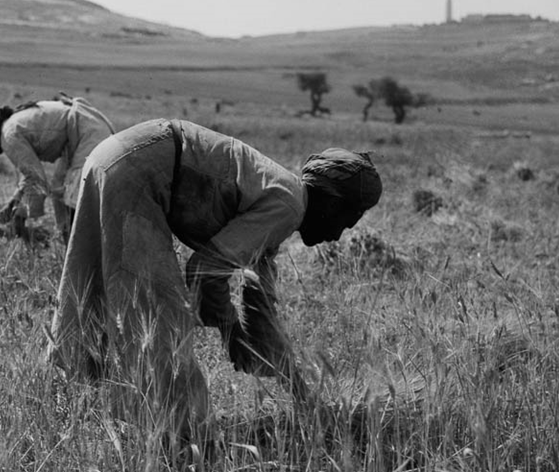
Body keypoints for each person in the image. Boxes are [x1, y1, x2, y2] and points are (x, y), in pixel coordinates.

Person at [47, 118, 382, 454]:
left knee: (94, 288)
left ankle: (122, 419)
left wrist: (300, 394)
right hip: (140, 168)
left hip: (111, 157)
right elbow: (205, 269)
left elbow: (261, 311)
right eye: (349, 220)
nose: (339, 234)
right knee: (161, 319)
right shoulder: (287, 206)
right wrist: (229, 330)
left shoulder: (280, 200)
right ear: (333, 202)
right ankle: (188, 445)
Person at [0, 96, 115, 243]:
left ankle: (83, 256)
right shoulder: (12, 125)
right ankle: (70, 250)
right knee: (61, 191)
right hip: (84, 128)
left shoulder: (9, 136)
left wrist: (20, 217)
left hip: (87, 132)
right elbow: (30, 174)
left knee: (75, 197)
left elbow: (36, 178)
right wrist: (14, 202)